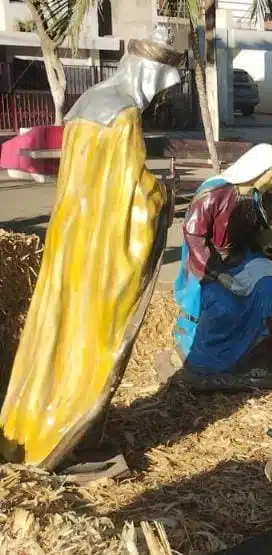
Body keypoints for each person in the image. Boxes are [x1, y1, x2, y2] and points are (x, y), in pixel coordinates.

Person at [0, 24, 184, 474]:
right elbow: (131, 201)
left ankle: (35, 425)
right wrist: (161, 195)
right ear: (149, 75)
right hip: (103, 254)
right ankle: (64, 435)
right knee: (90, 343)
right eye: (161, 86)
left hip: (72, 241)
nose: (158, 98)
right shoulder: (122, 115)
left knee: (56, 333)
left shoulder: (88, 102)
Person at [154, 143, 272, 392]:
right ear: (258, 170)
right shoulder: (213, 195)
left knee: (269, 289)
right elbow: (194, 236)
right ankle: (206, 361)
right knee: (223, 304)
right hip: (208, 266)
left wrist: (268, 242)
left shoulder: (255, 198)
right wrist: (217, 274)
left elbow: (256, 230)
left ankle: (271, 355)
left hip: (242, 261)